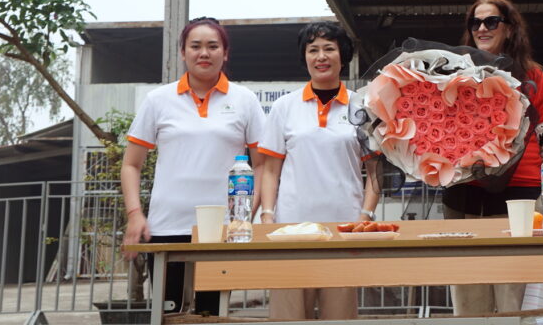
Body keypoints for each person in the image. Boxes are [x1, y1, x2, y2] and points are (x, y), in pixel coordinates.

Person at [121, 17, 266, 314]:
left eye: (213, 46)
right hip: (166, 226)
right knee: (167, 314)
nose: (204, 53)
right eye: (195, 46)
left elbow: (262, 166)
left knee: (211, 313)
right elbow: (131, 165)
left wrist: (246, 215)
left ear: (224, 53)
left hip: (222, 229)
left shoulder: (245, 100)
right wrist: (135, 215)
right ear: (183, 52)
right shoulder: (158, 100)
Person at [443, 0, 543, 315]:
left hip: (519, 198)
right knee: (468, 295)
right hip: (463, 193)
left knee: (513, 297)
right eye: (476, 22)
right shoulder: (453, 75)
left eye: (491, 21)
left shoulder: (533, 78)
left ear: (510, 29)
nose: (482, 28)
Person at [258, 21, 380, 320]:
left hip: (343, 231)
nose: (321, 56)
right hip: (289, 232)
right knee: (287, 317)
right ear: (305, 57)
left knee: (338, 317)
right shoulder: (284, 107)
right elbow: (270, 171)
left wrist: (364, 218)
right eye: (313, 50)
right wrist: (268, 217)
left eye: (329, 48)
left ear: (343, 56)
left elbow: (375, 175)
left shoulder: (363, 106)